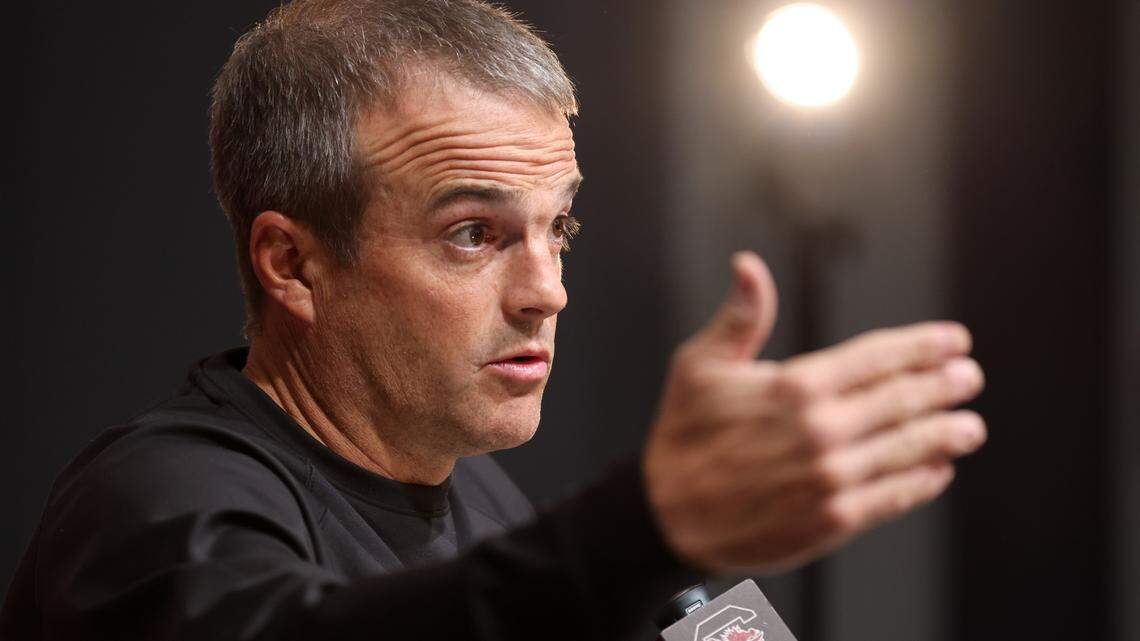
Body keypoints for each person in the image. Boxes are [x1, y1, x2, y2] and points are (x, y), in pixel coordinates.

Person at [0, 1, 987, 639]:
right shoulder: (154, 510)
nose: (546, 287)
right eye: (473, 232)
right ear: (291, 262)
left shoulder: (490, 507)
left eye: (556, 226)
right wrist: (647, 530)